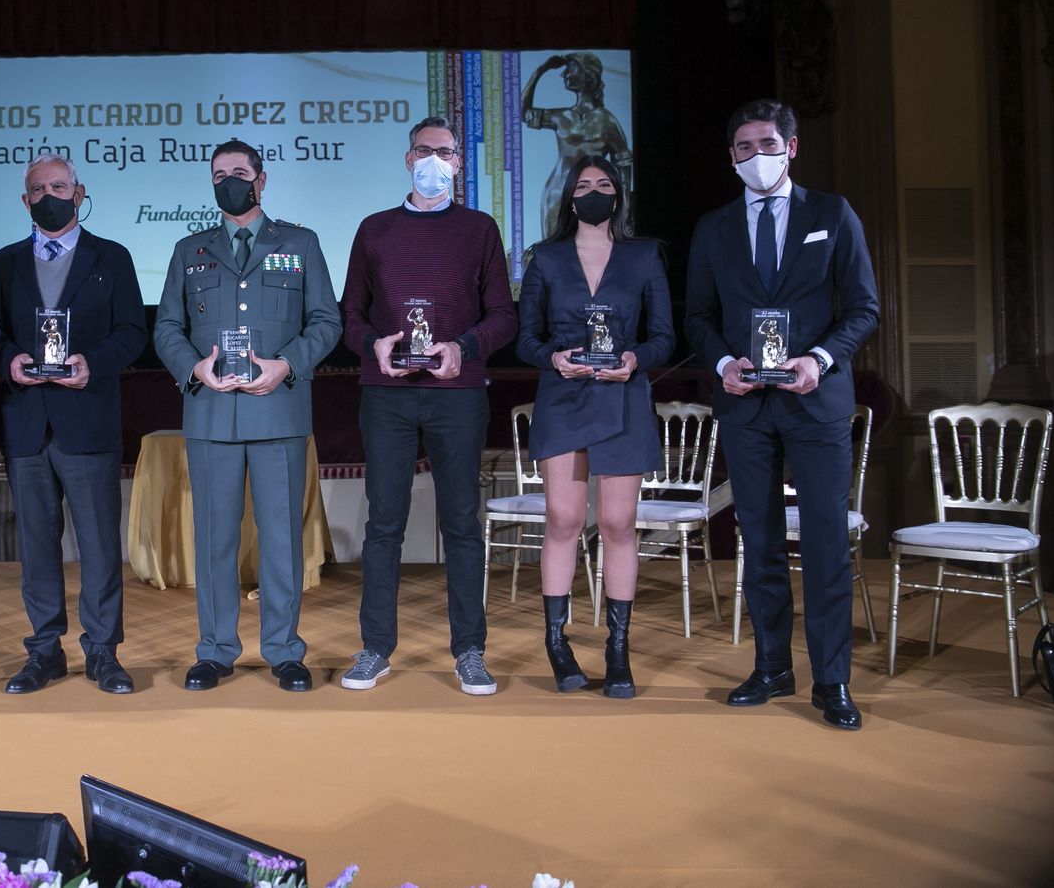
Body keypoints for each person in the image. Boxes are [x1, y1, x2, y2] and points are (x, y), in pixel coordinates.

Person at [685, 99, 878, 730]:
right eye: (742, 148)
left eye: (765, 144)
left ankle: (833, 681)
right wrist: (722, 366)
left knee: (824, 542)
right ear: (732, 157)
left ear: (790, 148)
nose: (754, 156)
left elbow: (864, 309)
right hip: (746, 406)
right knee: (759, 541)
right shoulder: (713, 227)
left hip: (814, 402)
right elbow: (698, 319)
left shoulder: (832, 214)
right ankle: (771, 667)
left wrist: (820, 358)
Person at [338, 117, 519, 697]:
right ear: (407, 158)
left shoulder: (479, 228)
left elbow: (503, 316)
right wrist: (376, 344)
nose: (433, 160)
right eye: (423, 150)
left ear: (459, 164)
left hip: (457, 393)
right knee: (383, 524)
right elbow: (350, 317)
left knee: (462, 524)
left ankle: (469, 651)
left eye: (444, 152)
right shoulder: (374, 229)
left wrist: (461, 347)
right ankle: (374, 649)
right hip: (387, 394)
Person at [153, 139, 342, 692]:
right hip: (211, 413)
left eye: (239, 172)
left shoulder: (300, 243)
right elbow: (167, 327)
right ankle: (215, 650)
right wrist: (195, 369)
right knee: (214, 539)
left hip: (278, 411)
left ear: (262, 179)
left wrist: (287, 364)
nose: (228, 181)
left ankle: (284, 651)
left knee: (282, 539)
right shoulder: (190, 249)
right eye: (219, 174)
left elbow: (326, 321)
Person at [515, 155, 673, 698]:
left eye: (604, 184)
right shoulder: (545, 258)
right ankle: (557, 645)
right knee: (561, 519)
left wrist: (635, 359)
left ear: (618, 195)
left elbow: (666, 338)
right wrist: (554, 359)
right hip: (563, 396)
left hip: (624, 397)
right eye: (584, 185)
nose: (594, 192)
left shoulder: (645, 255)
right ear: (568, 196)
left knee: (618, 524)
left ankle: (618, 649)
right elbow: (526, 339)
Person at [0, 153, 146, 695]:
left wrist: (91, 364)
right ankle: (44, 651)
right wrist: (9, 358)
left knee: (100, 544)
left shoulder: (113, 257)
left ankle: (102, 652)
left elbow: (133, 332)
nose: (49, 194)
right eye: (38, 187)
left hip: (88, 420)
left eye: (60, 185)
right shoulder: (4, 262)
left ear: (80, 193)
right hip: (28, 422)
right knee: (36, 545)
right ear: (25, 198)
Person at [521, 52, 634, 237]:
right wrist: (540, 71)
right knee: (552, 254)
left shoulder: (607, 122)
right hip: (558, 190)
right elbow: (524, 113)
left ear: (588, 74)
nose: (564, 74)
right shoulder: (561, 116)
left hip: (593, 196)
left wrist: (625, 207)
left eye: (570, 68)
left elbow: (624, 164)